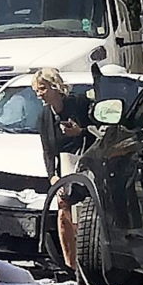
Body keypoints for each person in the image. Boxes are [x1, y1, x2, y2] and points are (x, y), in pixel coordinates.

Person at [36, 68, 92, 272]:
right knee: (63, 211)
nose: (39, 94)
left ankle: (87, 262)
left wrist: (80, 132)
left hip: (87, 166)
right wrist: (52, 176)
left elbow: (99, 132)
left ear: (55, 87)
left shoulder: (79, 104)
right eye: (36, 90)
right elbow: (47, 150)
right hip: (65, 169)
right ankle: (71, 266)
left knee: (84, 216)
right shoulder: (44, 116)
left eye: (42, 89)